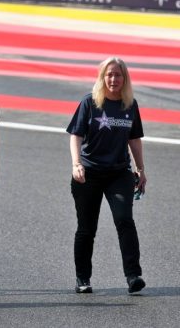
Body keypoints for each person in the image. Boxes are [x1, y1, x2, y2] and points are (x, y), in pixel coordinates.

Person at [67, 57, 147, 295]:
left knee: (125, 220)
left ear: (125, 79)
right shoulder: (90, 103)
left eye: (118, 75)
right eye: (109, 75)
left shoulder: (130, 105)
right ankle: (83, 278)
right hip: (88, 173)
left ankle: (133, 275)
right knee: (86, 228)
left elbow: (134, 139)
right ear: (102, 77)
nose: (113, 79)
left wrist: (140, 169)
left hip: (118, 173)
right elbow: (75, 135)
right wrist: (76, 164)